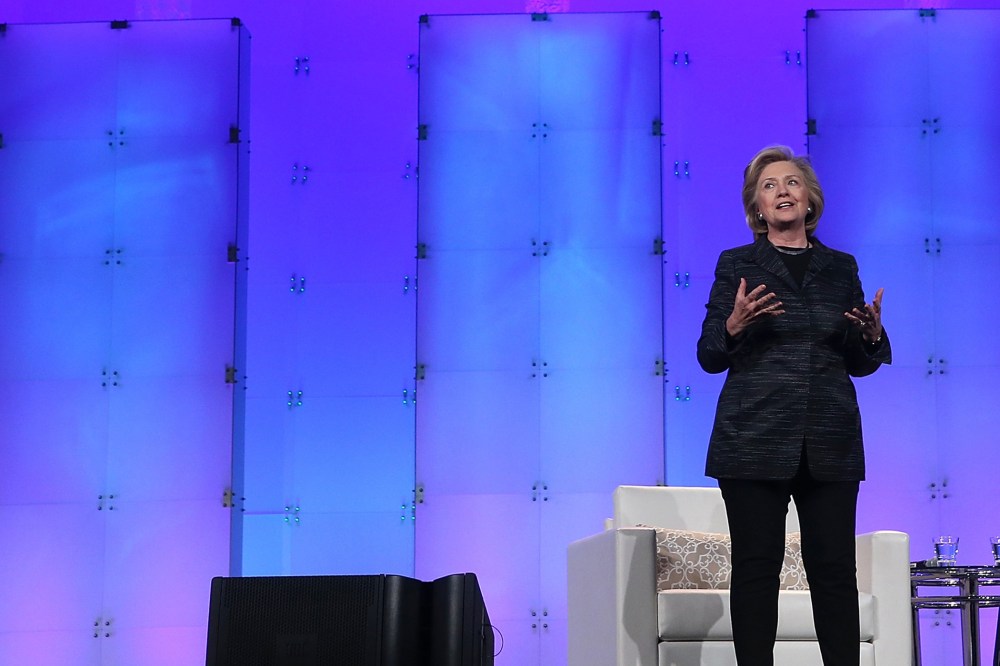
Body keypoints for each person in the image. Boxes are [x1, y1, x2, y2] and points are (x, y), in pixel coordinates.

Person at [696, 145, 891, 666]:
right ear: (757, 209)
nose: (782, 190)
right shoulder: (737, 264)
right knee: (757, 567)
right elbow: (709, 354)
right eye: (769, 185)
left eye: (792, 182)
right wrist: (734, 325)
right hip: (753, 435)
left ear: (809, 200)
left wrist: (871, 336)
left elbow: (857, 361)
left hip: (830, 437)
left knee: (834, 570)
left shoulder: (839, 266)